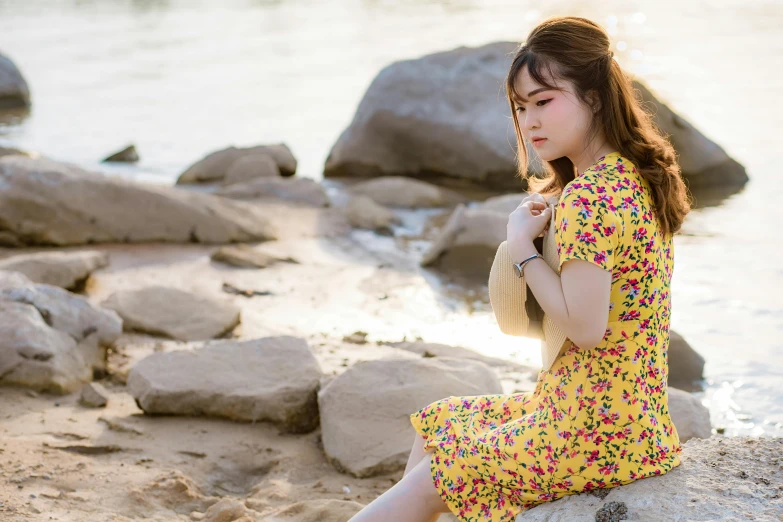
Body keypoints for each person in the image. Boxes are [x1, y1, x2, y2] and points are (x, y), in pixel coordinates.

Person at [348, 15, 693, 522]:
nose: (530, 122)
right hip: (631, 420)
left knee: (431, 480)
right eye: (521, 107)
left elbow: (585, 328)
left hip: (590, 432)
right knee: (442, 426)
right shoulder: (633, 176)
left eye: (544, 101)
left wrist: (522, 248)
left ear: (594, 96)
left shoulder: (589, 198)